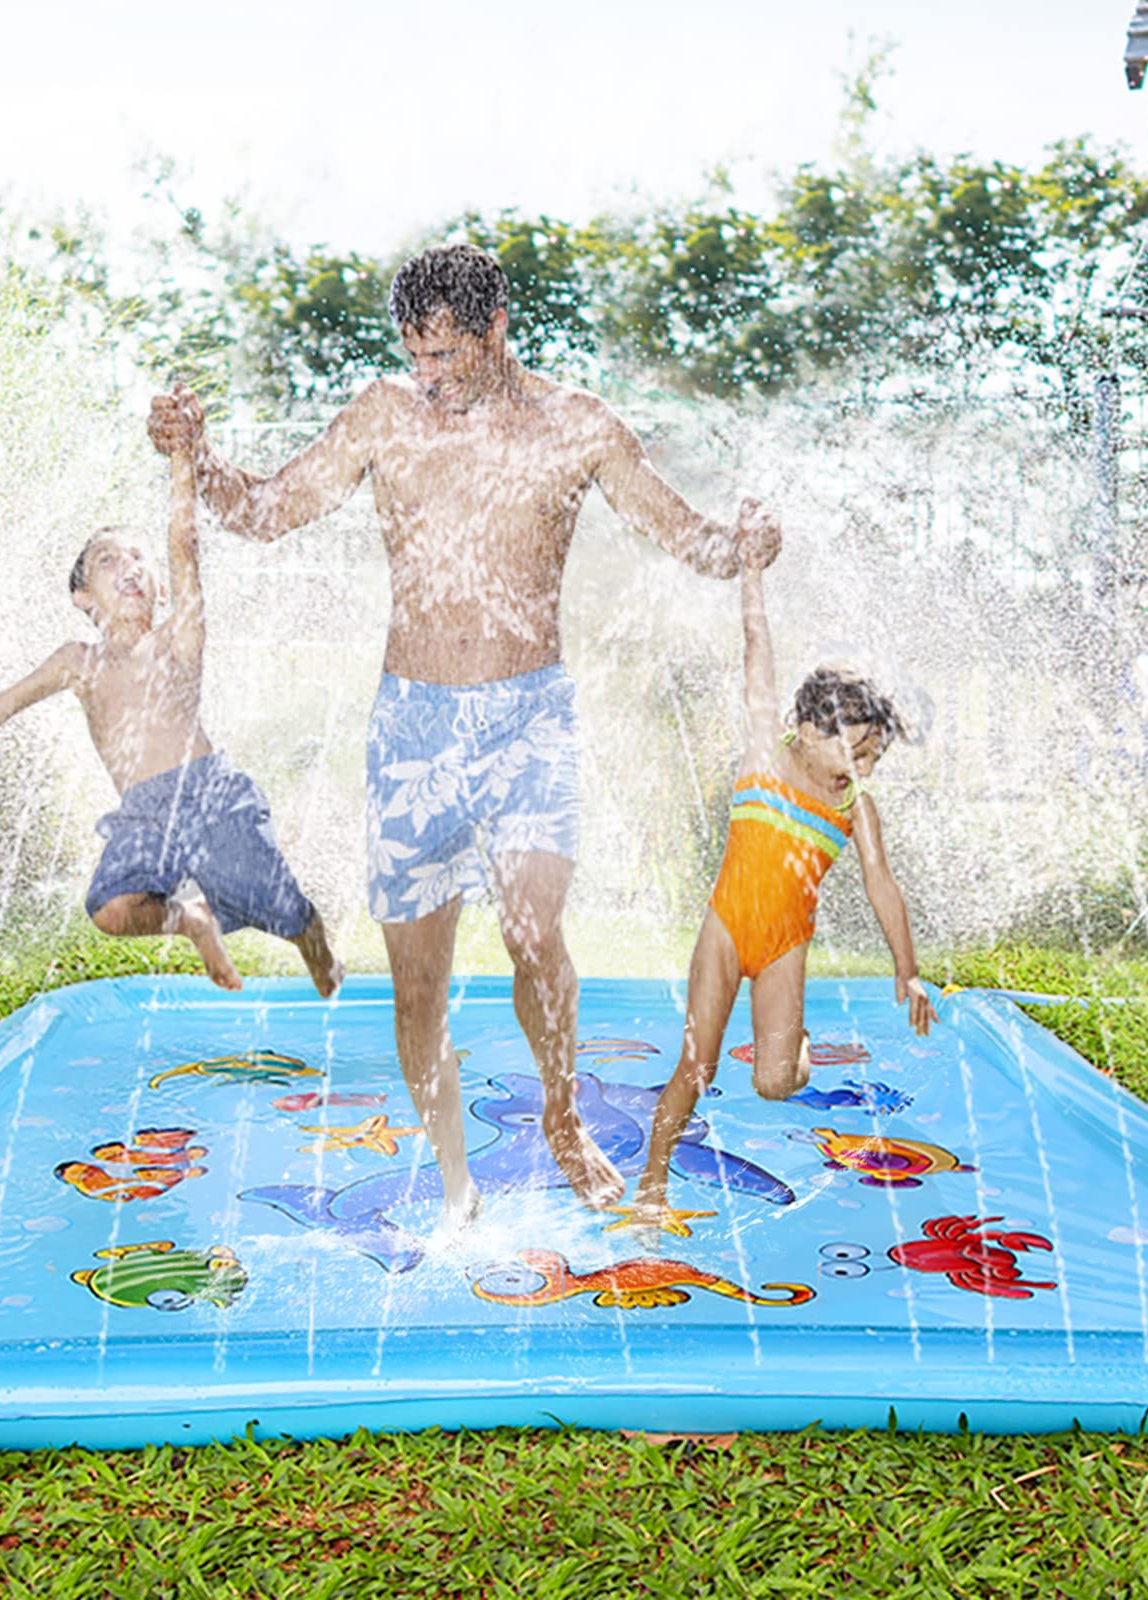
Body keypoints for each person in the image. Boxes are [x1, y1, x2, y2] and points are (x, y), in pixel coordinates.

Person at [147, 242, 781, 1225]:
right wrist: (197, 457)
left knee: (536, 939)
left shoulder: (578, 428)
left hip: (528, 720)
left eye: (446, 355)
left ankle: (562, 1118)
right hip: (413, 729)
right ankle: (454, 1181)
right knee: (416, 985)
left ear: (496, 329)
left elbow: (687, 538)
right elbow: (266, 512)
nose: (429, 377)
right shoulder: (381, 417)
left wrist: (744, 545)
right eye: (416, 356)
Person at [0, 449, 342, 998]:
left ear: (160, 588)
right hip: (144, 812)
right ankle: (191, 921)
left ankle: (320, 955)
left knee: (284, 910)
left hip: (210, 793)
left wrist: (183, 461)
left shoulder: (177, 639)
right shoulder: (78, 663)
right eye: (108, 561)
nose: (130, 566)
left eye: (139, 558)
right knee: (112, 908)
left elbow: (183, 542)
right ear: (83, 598)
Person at [630, 555, 937, 1223]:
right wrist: (752, 574)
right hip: (726, 927)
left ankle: (791, 1050)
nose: (862, 769)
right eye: (854, 754)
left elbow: (883, 885)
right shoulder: (765, 754)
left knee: (774, 1085)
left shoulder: (855, 806)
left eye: (874, 758)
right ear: (807, 731)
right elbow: (756, 648)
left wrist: (907, 972)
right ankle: (652, 1187)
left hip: (785, 945)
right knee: (697, 1066)